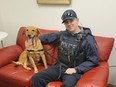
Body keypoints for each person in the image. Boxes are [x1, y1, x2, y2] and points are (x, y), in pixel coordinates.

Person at [32, 9, 99, 87]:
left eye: (71, 20)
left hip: (73, 71)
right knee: (36, 78)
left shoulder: (87, 39)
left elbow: (93, 60)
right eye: (66, 22)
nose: (69, 24)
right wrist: (34, 40)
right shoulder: (62, 34)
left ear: (77, 20)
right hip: (59, 67)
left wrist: (76, 69)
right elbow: (48, 37)